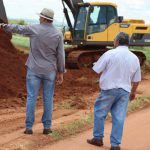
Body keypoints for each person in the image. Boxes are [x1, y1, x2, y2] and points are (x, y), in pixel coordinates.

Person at [0, 8, 65, 135]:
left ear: (44, 18)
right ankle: (47, 127)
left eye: (41, 16)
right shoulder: (58, 34)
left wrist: (3, 25)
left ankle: (29, 128)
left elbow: (17, 28)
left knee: (31, 98)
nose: (39, 18)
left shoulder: (34, 29)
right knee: (48, 99)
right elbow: (60, 55)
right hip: (50, 71)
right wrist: (61, 72)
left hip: (34, 69)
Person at [87, 32, 141, 150]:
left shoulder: (110, 53)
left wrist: (97, 64)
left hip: (109, 90)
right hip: (124, 91)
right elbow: (136, 80)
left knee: (100, 113)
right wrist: (133, 92)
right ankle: (115, 145)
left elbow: (97, 69)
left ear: (116, 41)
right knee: (119, 117)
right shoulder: (134, 58)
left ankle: (98, 138)